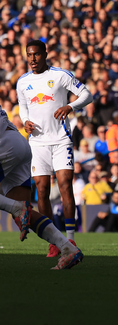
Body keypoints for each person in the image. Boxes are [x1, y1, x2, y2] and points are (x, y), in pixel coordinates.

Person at [17, 40, 93, 257]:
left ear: (45, 54)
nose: (32, 59)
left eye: (37, 55)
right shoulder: (22, 81)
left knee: (65, 185)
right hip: (38, 143)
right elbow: (23, 105)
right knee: (41, 190)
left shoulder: (61, 75)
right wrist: (25, 120)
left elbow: (87, 94)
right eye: (29, 55)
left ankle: (71, 239)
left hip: (61, 140)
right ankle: (54, 241)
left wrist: (70, 106)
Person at [0, 105, 83, 270]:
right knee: (27, 215)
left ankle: (16, 208)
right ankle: (68, 248)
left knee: (19, 210)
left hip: (5, 146)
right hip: (17, 143)